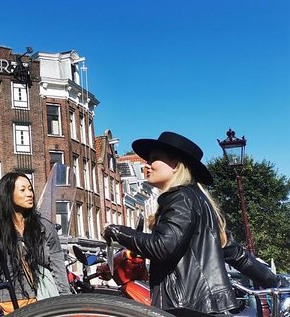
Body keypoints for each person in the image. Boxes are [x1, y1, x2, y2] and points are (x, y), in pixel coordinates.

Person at [102, 131, 286, 314]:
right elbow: (235, 252)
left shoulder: (179, 198)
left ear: (175, 165)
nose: (147, 166)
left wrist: (116, 231)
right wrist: (276, 282)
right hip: (205, 305)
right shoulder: (200, 200)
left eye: (154, 159)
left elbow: (162, 246)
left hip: (185, 305)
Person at [0, 172, 70, 312]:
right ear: (8, 194)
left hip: (41, 303)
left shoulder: (44, 228)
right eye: (23, 190)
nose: (29, 194)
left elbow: (58, 267)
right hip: (7, 305)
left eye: (30, 189)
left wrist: (65, 302)